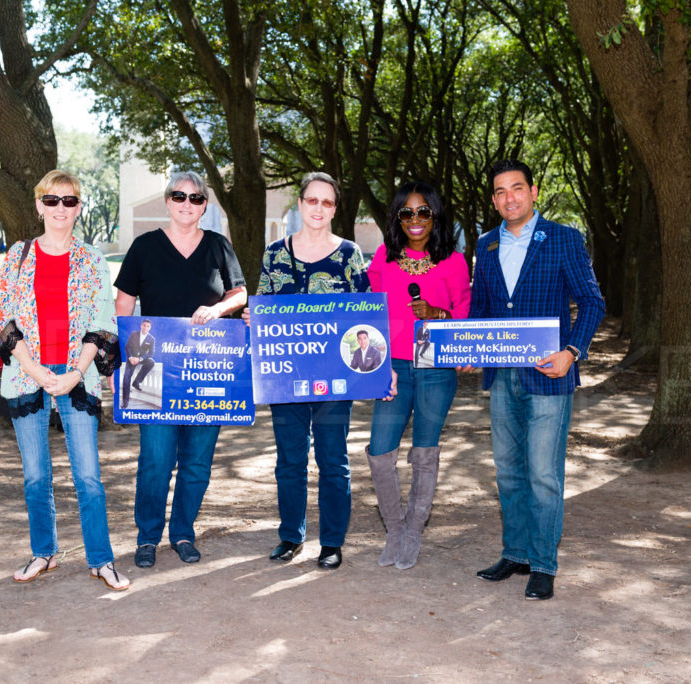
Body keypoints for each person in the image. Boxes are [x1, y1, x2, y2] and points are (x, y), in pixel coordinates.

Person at [470, 159, 604, 600]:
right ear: (493, 199)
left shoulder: (564, 238)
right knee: (508, 472)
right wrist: (468, 349)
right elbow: (481, 311)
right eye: (500, 192)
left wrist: (572, 352)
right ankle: (516, 553)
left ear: (533, 191)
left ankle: (544, 564)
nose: (509, 198)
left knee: (543, 474)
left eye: (517, 188)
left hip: (549, 375)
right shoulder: (486, 245)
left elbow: (592, 302)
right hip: (501, 375)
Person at [0, 169, 128, 591]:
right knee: (35, 475)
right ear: (39, 205)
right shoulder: (17, 256)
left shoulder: (92, 260)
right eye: (52, 200)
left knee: (88, 475)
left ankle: (101, 559)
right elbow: (5, 321)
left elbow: (103, 322)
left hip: (77, 377)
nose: (60, 209)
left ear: (78, 207)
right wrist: (38, 373)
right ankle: (44, 551)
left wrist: (72, 374)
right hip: (26, 376)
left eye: (69, 201)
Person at [114, 171, 247, 569]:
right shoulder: (145, 247)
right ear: (167, 201)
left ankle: (183, 533)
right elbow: (124, 303)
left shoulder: (218, 247)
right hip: (154, 368)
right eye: (179, 195)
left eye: (195, 197)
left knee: (197, 461)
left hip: (208, 370)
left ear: (205, 205)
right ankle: (147, 537)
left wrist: (218, 309)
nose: (187, 203)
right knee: (155, 459)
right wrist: (124, 356)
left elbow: (239, 293)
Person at [243, 171, 369, 570]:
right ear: (299, 204)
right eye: (311, 200)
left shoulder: (350, 254)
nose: (318, 208)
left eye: (327, 202)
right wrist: (252, 317)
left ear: (335, 208)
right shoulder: (274, 254)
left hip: (334, 378)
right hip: (284, 378)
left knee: (333, 461)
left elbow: (366, 315)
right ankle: (291, 536)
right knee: (289, 461)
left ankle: (331, 542)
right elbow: (262, 305)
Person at [365, 181, 471, 569]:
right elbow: (368, 313)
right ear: (396, 218)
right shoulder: (382, 259)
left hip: (435, 367)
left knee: (425, 452)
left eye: (423, 211)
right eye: (406, 212)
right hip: (392, 368)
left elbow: (463, 312)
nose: (415, 220)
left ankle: (413, 531)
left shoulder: (454, 262)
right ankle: (394, 529)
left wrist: (438, 314)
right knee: (380, 452)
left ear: (435, 216)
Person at [120, 318, 156, 409]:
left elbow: (151, 353)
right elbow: (127, 347)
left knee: (151, 362)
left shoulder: (151, 339)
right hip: (132, 359)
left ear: (150, 328)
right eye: (144, 325)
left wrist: (140, 358)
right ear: (141, 325)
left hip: (141, 359)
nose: (145, 327)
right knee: (126, 378)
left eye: (147, 326)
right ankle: (125, 402)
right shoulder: (134, 334)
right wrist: (131, 357)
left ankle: (137, 381)